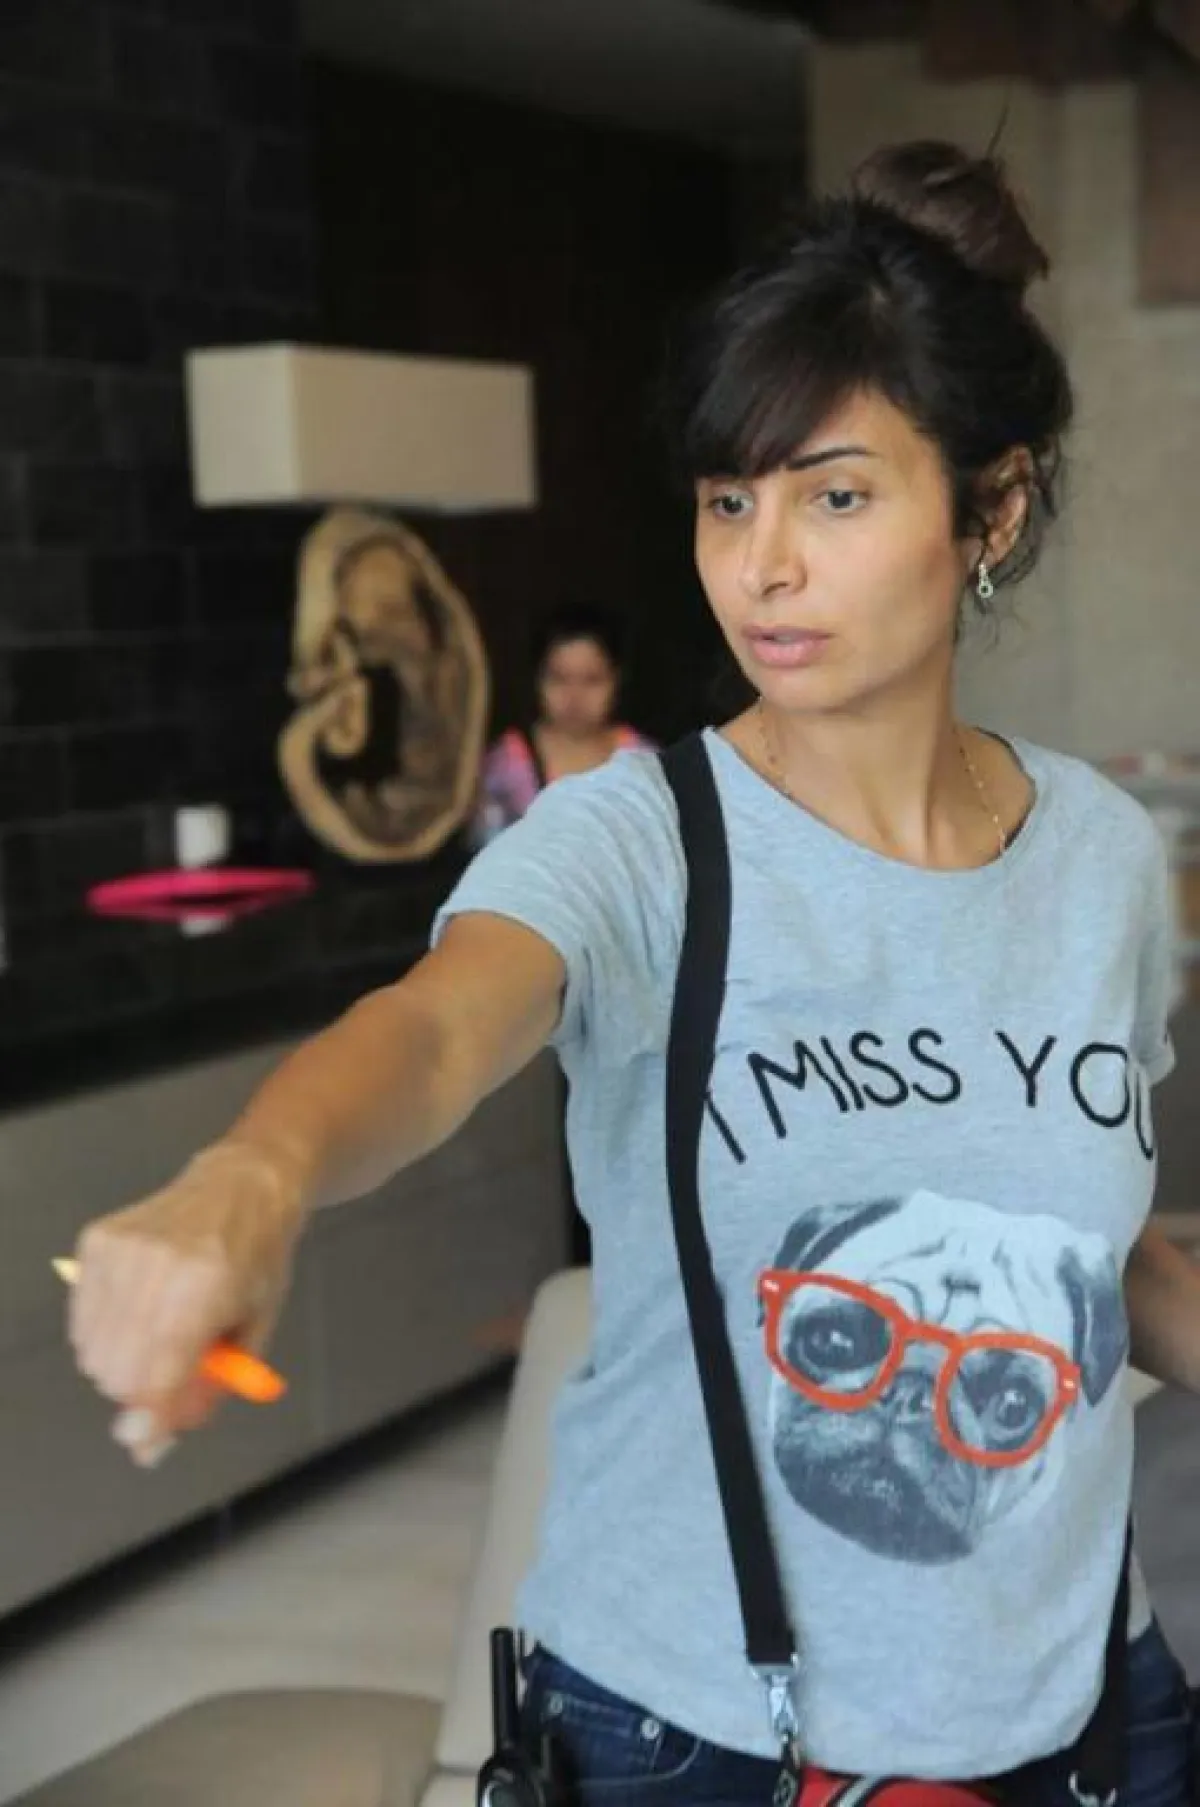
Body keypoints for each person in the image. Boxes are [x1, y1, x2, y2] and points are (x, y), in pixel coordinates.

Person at [68, 141, 1199, 1805]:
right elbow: (433, 1031)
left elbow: (1086, 1237)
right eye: (729, 499)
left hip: (1096, 1717)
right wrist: (255, 1171)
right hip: (701, 1738)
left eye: (834, 495)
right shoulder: (639, 841)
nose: (762, 564)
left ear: (995, 508)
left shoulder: (1099, 855)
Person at [475, 605, 651, 840]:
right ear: (538, 680)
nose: (574, 696)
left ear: (617, 680)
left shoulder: (643, 760)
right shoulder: (506, 764)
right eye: (559, 679)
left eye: (592, 680)